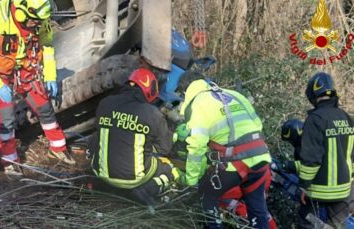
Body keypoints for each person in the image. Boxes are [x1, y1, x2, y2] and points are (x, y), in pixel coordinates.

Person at [0, 0, 75, 178]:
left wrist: (51, 75)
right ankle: (10, 161)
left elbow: (47, 46)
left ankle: (58, 147)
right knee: (6, 117)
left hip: (26, 68)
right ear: (21, 13)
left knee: (44, 106)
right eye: (35, 22)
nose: (39, 26)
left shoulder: (39, 19)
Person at [176, 71, 272, 228]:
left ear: (186, 90)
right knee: (258, 210)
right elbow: (258, 125)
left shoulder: (198, 103)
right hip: (261, 158)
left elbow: (197, 147)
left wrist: (192, 180)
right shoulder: (234, 95)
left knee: (207, 195)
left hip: (236, 163)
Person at [90, 67, 180, 205]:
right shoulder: (152, 114)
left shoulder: (105, 103)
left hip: (102, 174)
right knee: (170, 170)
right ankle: (148, 190)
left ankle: (100, 184)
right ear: (150, 90)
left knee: (97, 138)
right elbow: (164, 149)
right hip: (135, 178)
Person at [296, 72, 354, 228]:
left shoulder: (314, 120)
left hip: (319, 192)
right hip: (344, 191)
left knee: (306, 220)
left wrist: (303, 186)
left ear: (312, 95)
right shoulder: (347, 118)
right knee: (335, 226)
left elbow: (311, 160)